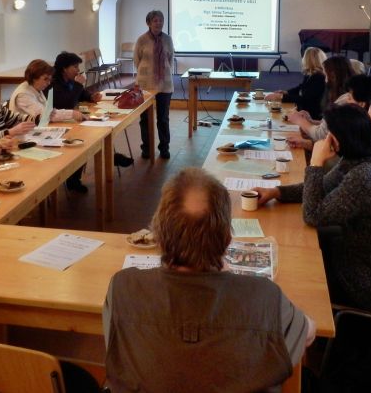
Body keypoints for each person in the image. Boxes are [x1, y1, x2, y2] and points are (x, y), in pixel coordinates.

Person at [103, 168, 314, 392]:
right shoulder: (267, 298)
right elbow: (308, 333)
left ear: (159, 235)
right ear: (227, 239)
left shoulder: (122, 289)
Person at [257, 105, 371, 312]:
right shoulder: (366, 155)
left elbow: (312, 215)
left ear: (340, 139)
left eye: (329, 134)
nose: (325, 140)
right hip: (368, 256)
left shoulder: (366, 176)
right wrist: (276, 192)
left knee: (292, 269)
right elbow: (323, 186)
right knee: (296, 242)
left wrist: (316, 163)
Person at [49, 51, 133, 169]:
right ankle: (108, 158)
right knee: (87, 136)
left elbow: (81, 94)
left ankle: (110, 156)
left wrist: (91, 97)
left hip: (71, 118)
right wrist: (78, 85)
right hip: (58, 122)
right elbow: (67, 104)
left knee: (99, 129)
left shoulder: (69, 80)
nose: (78, 70)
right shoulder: (53, 83)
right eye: (75, 67)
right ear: (64, 69)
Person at [288, 72, 371, 147]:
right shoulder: (360, 122)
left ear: (361, 104)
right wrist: (307, 141)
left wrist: (300, 121)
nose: (346, 100)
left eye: (350, 98)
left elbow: (322, 136)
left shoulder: (362, 131)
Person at [134, 10, 174, 159]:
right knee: (145, 118)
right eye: (155, 20)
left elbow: (170, 59)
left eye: (161, 20)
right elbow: (137, 60)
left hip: (164, 84)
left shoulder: (167, 39)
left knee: (163, 118)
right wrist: (148, 72)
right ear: (149, 23)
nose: (159, 23)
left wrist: (162, 73)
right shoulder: (141, 40)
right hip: (145, 83)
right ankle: (147, 148)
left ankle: (164, 148)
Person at [9, 59, 85, 122]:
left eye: (49, 79)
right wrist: (72, 114)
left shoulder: (36, 88)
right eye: (45, 79)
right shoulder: (23, 95)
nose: (48, 83)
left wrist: (73, 113)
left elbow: (50, 111)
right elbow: (46, 115)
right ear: (34, 77)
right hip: (24, 134)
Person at [265, 47, 326, 119]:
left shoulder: (319, 78)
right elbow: (301, 87)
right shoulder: (312, 74)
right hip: (305, 111)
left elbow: (304, 99)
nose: (302, 59)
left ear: (308, 60)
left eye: (304, 57)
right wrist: (286, 92)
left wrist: (281, 97)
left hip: (311, 116)